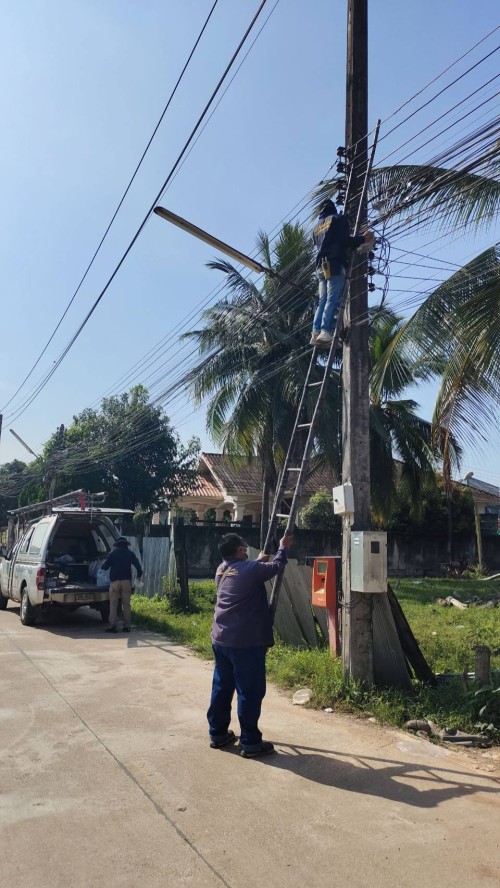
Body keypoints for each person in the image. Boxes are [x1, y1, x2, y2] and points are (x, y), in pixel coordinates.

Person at [207, 531, 293, 758]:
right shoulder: (250, 569)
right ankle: (251, 743)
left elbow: (248, 571)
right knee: (250, 691)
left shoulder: (222, 569)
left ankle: (217, 734)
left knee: (222, 687)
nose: (247, 549)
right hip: (245, 642)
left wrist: (258, 560)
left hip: (221, 639)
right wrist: (283, 546)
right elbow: (277, 566)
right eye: (244, 547)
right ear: (239, 550)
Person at [310, 198, 374, 346]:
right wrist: (363, 238)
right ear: (332, 208)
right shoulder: (338, 219)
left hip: (320, 266)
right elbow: (345, 241)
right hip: (334, 264)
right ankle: (325, 331)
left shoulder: (315, 229)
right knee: (332, 299)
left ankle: (315, 333)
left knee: (323, 300)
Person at [101, 537, 143, 634]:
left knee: (113, 604)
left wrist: (102, 567)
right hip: (126, 581)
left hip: (115, 582)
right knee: (126, 604)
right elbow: (138, 566)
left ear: (117, 545)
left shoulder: (113, 553)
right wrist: (139, 575)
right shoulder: (130, 554)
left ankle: (112, 625)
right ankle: (127, 625)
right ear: (126, 545)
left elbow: (105, 567)